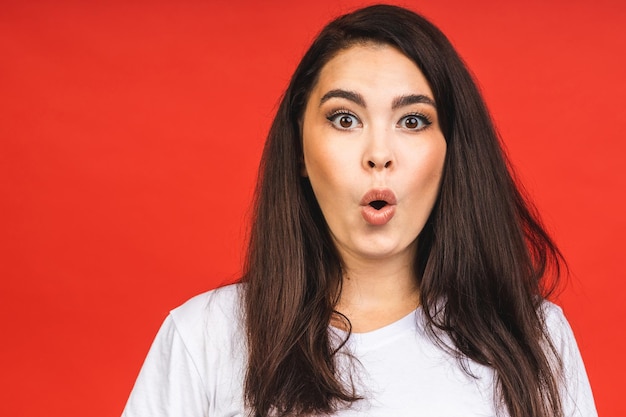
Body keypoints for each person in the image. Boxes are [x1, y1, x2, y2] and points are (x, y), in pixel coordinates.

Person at [121, 4, 597, 417]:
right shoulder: (204, 336)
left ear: (451, 152)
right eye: (344, 119)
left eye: (412, 120)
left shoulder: (533, 339)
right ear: (300, 151)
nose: (378, 154)